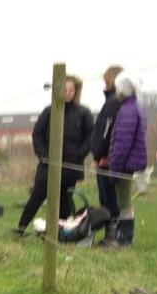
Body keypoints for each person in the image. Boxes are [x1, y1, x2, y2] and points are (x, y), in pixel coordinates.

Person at [14, 75, 94, 237]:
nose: (68, 93)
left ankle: (60, 233)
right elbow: (37, 134)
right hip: (47, 165)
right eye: (65, 89)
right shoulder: (49, 111)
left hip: (70, 167)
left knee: (64, 200)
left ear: (76, 92)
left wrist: (79, 155)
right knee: (36, 197)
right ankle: (20, 229)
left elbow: (90, 138)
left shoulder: (84, 113)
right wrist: (43, 155)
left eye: (71, 90)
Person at [102, 74, 147, 248]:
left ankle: (124, 238)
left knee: (123, 201)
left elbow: (122, 143)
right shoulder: (134, 107)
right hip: (130, 162)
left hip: (125, 164)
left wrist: (114, 168)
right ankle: (124, 237)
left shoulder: (127, 110)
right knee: (124, 200)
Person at [90, 65, 124, 244]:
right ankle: (110, 235)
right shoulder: (113, 101)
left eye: (106, 80)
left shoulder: (113, 103)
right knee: (108, 198)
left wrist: (97, 154)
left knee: (108, 198)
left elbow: (106, 131)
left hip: (106, 159)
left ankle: (112, 236)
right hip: (106, 157)